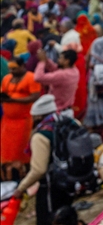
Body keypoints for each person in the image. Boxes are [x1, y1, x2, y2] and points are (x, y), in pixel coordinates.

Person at [12, 95, 74, 225]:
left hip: (51, 184)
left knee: (48, 219)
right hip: (71, 179)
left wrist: (21, 188)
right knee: (67, 217)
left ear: (38, 116)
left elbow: (39, 170)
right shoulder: (69, 122)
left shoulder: (42, 135)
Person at [1, 57, 42, 175]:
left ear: (23, 66)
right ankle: (9, 173)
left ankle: (25, 172)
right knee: (7, 149)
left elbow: (35, 96)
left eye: (15, 68)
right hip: (7, 120)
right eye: (10, 69)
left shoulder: (31, 77)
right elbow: (4, 93)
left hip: (23, 120)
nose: (12, 71)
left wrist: (14, 100)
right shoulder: (7, 79)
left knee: (21, 148)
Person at [34, 48, 80, 113]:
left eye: (60, 58)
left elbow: (38, 77)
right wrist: (46, 59)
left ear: (67, 61)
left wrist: (42, 62)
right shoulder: (74, 71)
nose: (58, 60)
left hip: (58, 111)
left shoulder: (63, 75)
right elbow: (56, 69)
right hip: (66, 110)